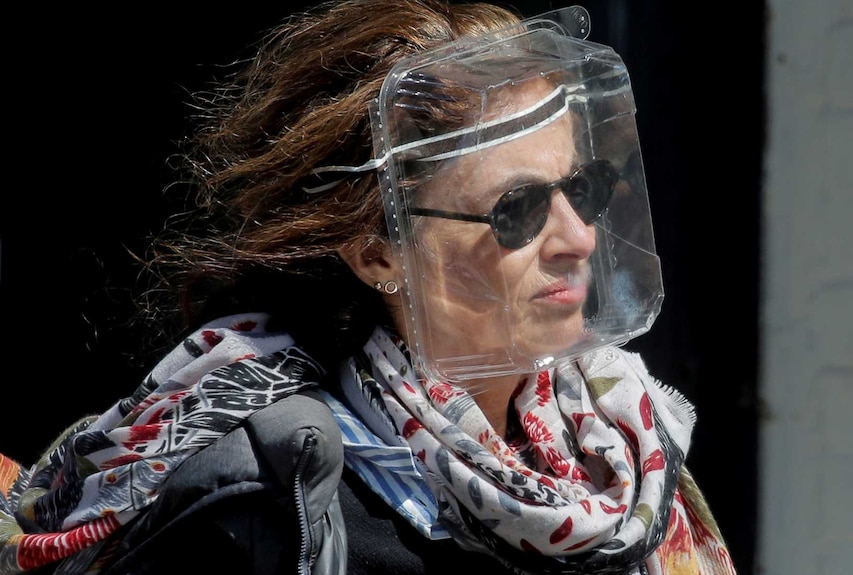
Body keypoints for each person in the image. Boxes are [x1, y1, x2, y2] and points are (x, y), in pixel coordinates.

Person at [0, 1, 737, 574]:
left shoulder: (622, 448)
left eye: (581, 186)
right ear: (375, 250)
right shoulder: (285, 497)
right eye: (516, 210)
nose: (577, 236)